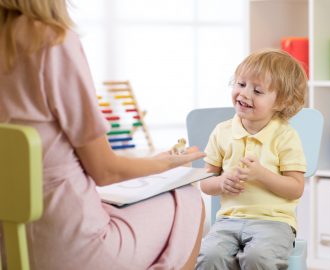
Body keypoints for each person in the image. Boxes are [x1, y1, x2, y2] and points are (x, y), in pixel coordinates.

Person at [0, 1, 206, 269]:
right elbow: (105, 171)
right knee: (189, 200)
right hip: (71, 244)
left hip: (13, 241)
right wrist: (166, 163)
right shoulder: (51, 40)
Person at [196, 49, 308, 270]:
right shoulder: (222, 131)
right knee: (209, 256)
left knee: (258, 257)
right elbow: (205, 182)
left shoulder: (285, 135)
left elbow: (296, 188)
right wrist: (221, 182)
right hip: (228, 221)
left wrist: (261, 175)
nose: (244, 94)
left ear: (281, 102)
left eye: (257, 90)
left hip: (274, 222)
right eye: (240, 84)